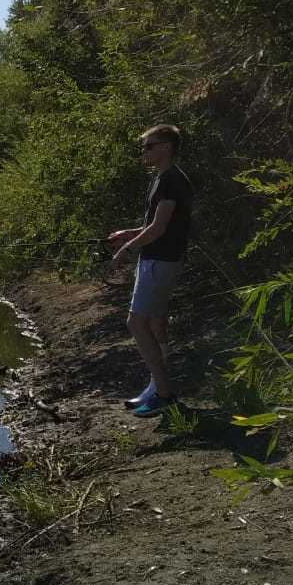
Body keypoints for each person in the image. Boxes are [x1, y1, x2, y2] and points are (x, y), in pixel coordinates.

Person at [107, 124, 193, 417]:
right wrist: (127, 233)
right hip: (155, 259)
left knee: (136, 323)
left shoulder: (172, 180)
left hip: (161, 260)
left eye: (149, 146)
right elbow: (152, 225)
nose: (144, 151)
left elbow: (159, 229)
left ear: (167, 147)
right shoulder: (161, 179)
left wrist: (126, 249)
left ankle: (165, 394)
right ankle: (156, 386)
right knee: (155, 323)